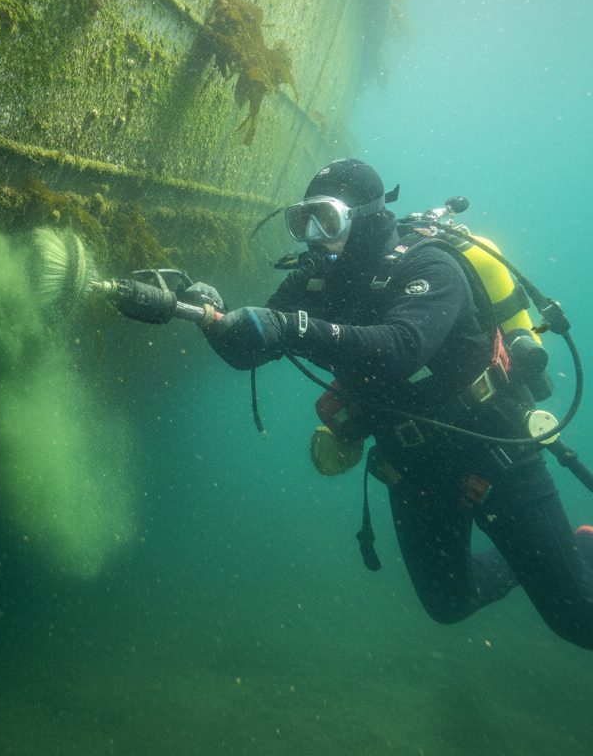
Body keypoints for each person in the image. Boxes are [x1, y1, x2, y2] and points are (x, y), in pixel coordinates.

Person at [184, 158, 593, 649]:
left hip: (493, 447)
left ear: (367, 218)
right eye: (302, 221)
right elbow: (252, 345)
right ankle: (547, 555)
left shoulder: (428, 263)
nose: (312, 236)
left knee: (579, 621)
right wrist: (203, 311)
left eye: (326, 220)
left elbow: (401, 347)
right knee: (449, 602)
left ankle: (578, 551)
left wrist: (291, 327)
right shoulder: (316, 281)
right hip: (412, 465)